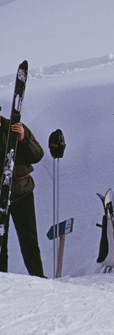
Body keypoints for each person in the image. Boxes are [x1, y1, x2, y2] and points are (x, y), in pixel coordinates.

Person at [0, 116, 45, 277]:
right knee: (0, 242)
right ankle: (2, 278)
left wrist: (23, 138)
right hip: (1, 195)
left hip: (21, 191)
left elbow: (37, 155)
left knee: (29, 239)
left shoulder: (15, 127)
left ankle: (38, 276)